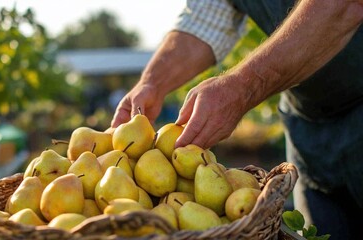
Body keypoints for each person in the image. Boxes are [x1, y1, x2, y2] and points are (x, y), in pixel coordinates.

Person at [111, 1, 363, 239]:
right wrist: (152, 83)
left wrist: (243, 86)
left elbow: (343, 6)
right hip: (308, 123)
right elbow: (205, 19)